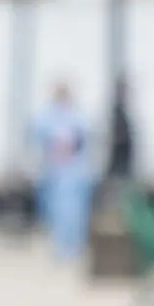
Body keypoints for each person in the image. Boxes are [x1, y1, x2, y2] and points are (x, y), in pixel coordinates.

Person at [32, 82, 94, 259]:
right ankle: (60, 247)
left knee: (76, 213)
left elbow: (85, 136)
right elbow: (39, 136)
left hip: (74, 171)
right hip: (56, 172)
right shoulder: (47, 115)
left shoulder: (77, 115)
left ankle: (74, 247)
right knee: (55, 211)